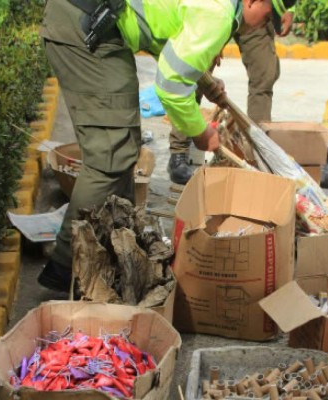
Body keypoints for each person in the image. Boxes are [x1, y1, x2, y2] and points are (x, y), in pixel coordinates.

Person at [37, 0, 273, 292]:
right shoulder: (220, 13)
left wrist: (207, 83)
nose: (266, 23)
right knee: (109, 156)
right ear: (255, 1)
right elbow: (170, 87)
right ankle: (67, 265)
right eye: (270, 13)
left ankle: (114, 249)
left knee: (122, 148)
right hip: (85, 23)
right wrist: (200, 133)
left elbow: (170, 44)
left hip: (95, 20)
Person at [167, 0, 297, 185]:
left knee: (264, 74)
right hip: (217, 6)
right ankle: (179, 152)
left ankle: (257, 156)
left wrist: (287, 7)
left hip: (261, 6)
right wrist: (215, 32)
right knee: (194, 71)